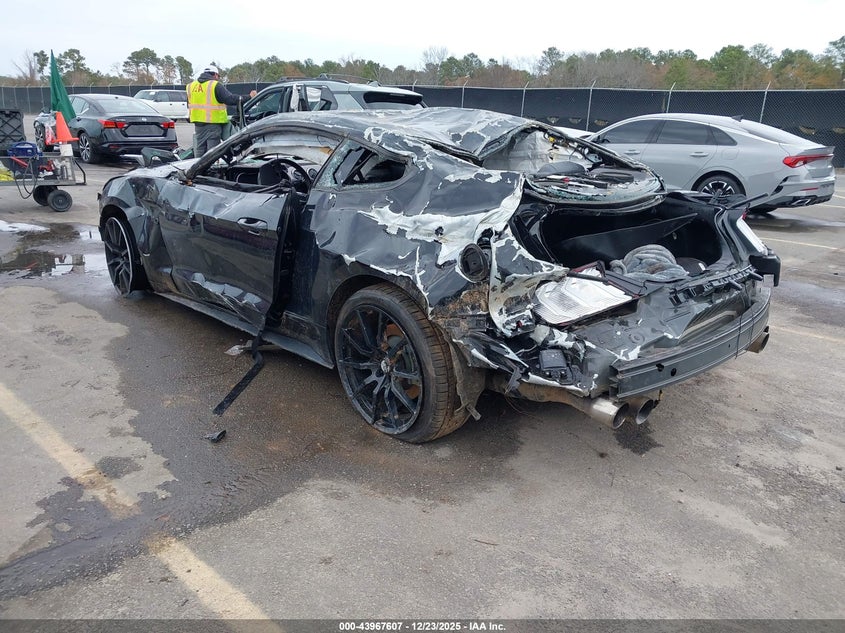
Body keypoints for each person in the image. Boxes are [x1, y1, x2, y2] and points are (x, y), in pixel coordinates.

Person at [187, 64, 257, 157]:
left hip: (198, 125)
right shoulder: (214, 85)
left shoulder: (191, 86)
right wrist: (249, 97)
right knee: (212, 154)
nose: (218, 79)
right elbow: (230, 99)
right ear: (215, 75)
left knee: (200, 151)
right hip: (212, 124)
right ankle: (210, 171)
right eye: (218, 76)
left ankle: (198, 170)